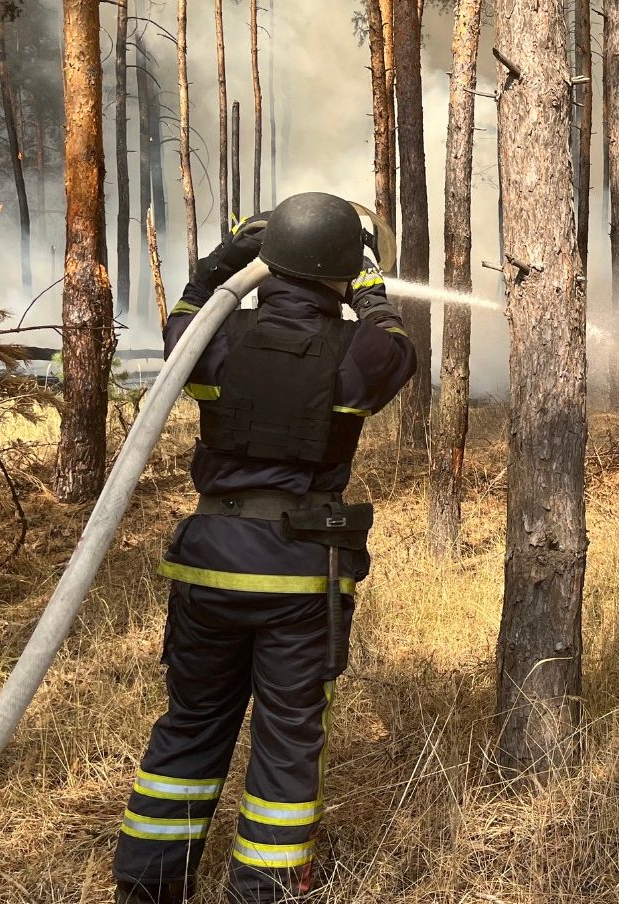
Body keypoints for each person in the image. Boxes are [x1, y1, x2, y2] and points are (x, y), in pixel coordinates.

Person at [112, 192, 416, 904]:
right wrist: (373, 294)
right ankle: (265, 890)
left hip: (208, 564)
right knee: (286, 740)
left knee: (190, 722)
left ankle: (149, 885)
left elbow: (181, 319)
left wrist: (225, 258)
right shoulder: (354, 353)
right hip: (300, 576)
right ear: (347, 269)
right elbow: (393, 351)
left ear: (267, 254)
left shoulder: (215, 339)